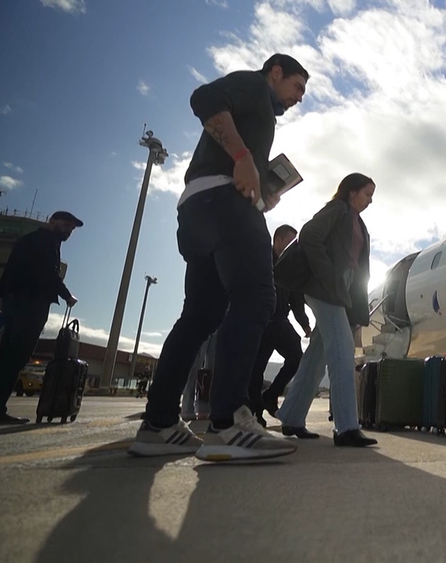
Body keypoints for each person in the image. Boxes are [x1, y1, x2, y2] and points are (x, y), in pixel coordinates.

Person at [128, 53, 309, 461]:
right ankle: (226, 423)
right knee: (257, 298)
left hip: (199, 208)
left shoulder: (260, 110)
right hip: (224, 203)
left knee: (202, 315)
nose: (299, 97)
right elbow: (204, 97)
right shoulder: (253, 86)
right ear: (275, 73)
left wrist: (264, 190)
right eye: (297, 86)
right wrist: (244, 159)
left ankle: (157, 424)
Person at [275, 173, 377, 447]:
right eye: (367, 194)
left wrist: (355, 307)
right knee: (343, 351)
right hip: (324, 288)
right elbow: (309, 235)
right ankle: (346, 428)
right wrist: (327, 275)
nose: (370, 201)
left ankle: (292, 418)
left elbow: (358, 271)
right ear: (351, 191)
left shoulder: (358, 222)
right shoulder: (337, 209)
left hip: (338, 291)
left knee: (316, 356)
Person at [0, 211, 81, 425]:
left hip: (14, 301)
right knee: (17, 356)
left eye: (71, 228)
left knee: (5, 354)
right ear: (52, 221)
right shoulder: (45, 242)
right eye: (65, 225)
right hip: (30, 302)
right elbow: (48, 273)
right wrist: (67, 295)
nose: (68, 230)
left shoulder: (29, 240)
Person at [247, 224, 311, 429]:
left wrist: (306, 326)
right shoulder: (260, 259)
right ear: (278, 240)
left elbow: (297, 300)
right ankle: (254, 411)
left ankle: (271, 395)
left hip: (281, 322)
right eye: (290, 243)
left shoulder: (289, 267)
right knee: (257, 368)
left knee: (297, 359)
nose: (292, 247)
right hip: (261, 321)